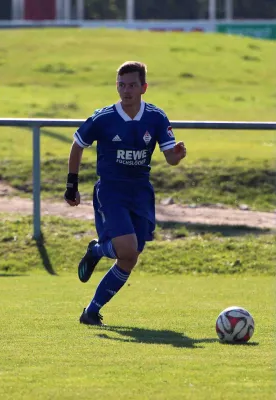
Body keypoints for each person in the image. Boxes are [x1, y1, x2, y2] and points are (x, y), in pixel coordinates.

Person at [65, 61, 187, 326]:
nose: (126, 90)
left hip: (141, 193)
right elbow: (77, 146)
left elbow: (169, 157)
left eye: (132, 85)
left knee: (130, 257)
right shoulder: (103, 117)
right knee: (126, 249)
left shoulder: (156, 117)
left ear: (143, 87)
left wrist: (176, 156)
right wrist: (71, 185)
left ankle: (91, 308)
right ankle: (98, 255)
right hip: (111, 191)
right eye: (121, 85)